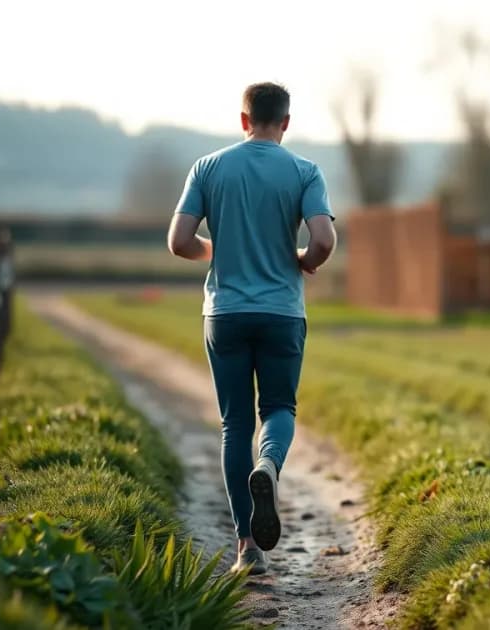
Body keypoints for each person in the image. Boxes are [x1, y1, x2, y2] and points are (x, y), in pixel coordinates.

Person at [166, 82, 336, 576]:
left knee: (234, 423)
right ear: (285, 122)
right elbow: (323, 240)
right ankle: (270, 467)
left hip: (225, 313)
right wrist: (303, 259)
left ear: (243, 120)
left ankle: (247, 548)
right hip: (282, 312)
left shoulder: (209, 167)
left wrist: (214, 251)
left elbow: (178, 241)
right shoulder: (305, 171)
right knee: (279, 408)